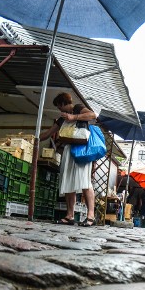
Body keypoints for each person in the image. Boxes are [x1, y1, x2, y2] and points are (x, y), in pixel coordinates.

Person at [40, 92, 97, 227]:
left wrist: (74, 117)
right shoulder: (61, 119)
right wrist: (35, 138)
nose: (59, 110)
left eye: (59, 106)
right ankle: (69, 215)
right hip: (68, 149)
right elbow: (49, 133)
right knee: (67, 180)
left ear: (62, 103)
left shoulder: (77, 108)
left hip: (82, 149)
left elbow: (93, 115)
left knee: (85, 181)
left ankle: (91, 215)